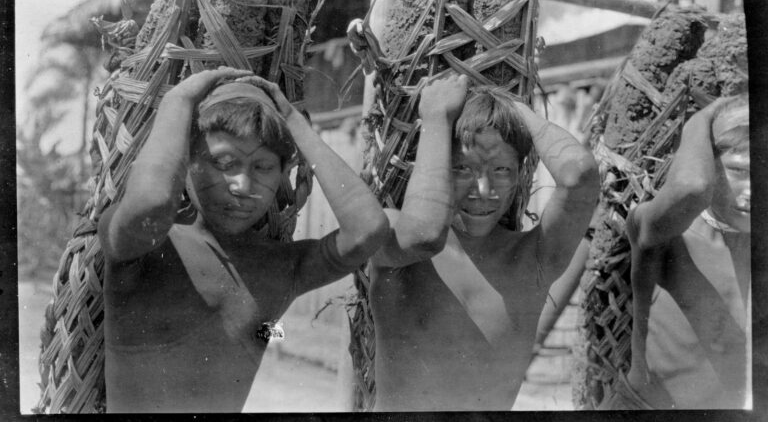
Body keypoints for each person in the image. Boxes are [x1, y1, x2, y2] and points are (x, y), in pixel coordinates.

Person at [98, 67, 389, 413]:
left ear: (282, 174)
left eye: (263, 167)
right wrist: (179, 99)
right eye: (224, 162)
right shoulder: (148, 247)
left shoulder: (282, 268)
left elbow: (368, 230)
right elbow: (152, 202)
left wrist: (295, 122)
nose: (242, 186)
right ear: (188, 161)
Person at [367, 73, 600, 411]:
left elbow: (578, 173)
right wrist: (435, 118)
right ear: (437, 165)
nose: (484, 192)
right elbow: (425, 234)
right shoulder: (396, 240)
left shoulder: (532, 260)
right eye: (463, 169)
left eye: (502, 171)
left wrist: (515, 110)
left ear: (520, 175)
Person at [600, 93, 750, 409]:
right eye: (737, 171)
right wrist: (702, 118)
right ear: (711, 167)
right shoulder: (662, 232)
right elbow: (691, 188)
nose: (751, 192)